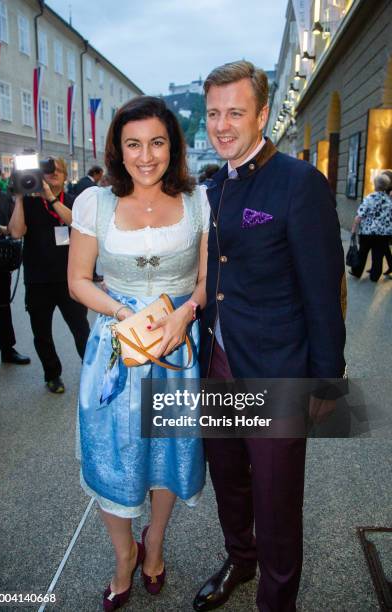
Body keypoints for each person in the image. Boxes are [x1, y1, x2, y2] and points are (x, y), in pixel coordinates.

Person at [193, 61, 346, 612]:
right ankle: (241, 558)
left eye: (235, 111)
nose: (222, 124)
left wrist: (327, 378)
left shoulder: (300, 182)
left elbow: (324, 290)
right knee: (228, 479)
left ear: (262, 114)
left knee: (277, 499)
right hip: (219, 362)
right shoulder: (213, 186)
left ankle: (277, 601)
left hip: (278, 367)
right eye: (213, 113)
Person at [68, 96, 209, 610]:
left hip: (174, 346)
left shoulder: (199, 202)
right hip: (115, 347)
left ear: (172, 146)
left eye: (156, 142)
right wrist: (124, 316)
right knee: (115, 453)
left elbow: (204, 279)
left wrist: (184, 312)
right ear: (118, 149)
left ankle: (155, 545)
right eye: (133, 144)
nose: (145, 155)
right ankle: (124, 554)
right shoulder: (94, 203)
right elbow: (78, 280)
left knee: (169, 448)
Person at [8, 157, 90, 393]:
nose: (53, 173)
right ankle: (52, 374)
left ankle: (91, 369)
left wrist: (50, 198)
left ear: (65, 176)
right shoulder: (30, 204)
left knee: (81, 329)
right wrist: (21, 197)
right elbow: (15, 232)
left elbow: (76, 224)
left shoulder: (74, 202)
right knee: (41, 333)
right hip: (38, 280)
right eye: (48, 170)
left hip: (70, 279)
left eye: (58, 171)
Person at [0, 154, 30, 366]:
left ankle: (7, 349)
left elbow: (13, 226)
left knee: (3, 305)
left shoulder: (4, 197)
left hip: (1, 258)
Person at [350, 174, 392, 282]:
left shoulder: (369, 198)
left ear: (375, 185)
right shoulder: (389, 201)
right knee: (378, 256)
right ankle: (374, 276)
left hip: (367, 233)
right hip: (383, 234)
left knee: (362, 253)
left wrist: (353, 230)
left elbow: (359, 216)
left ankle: (357, 272)